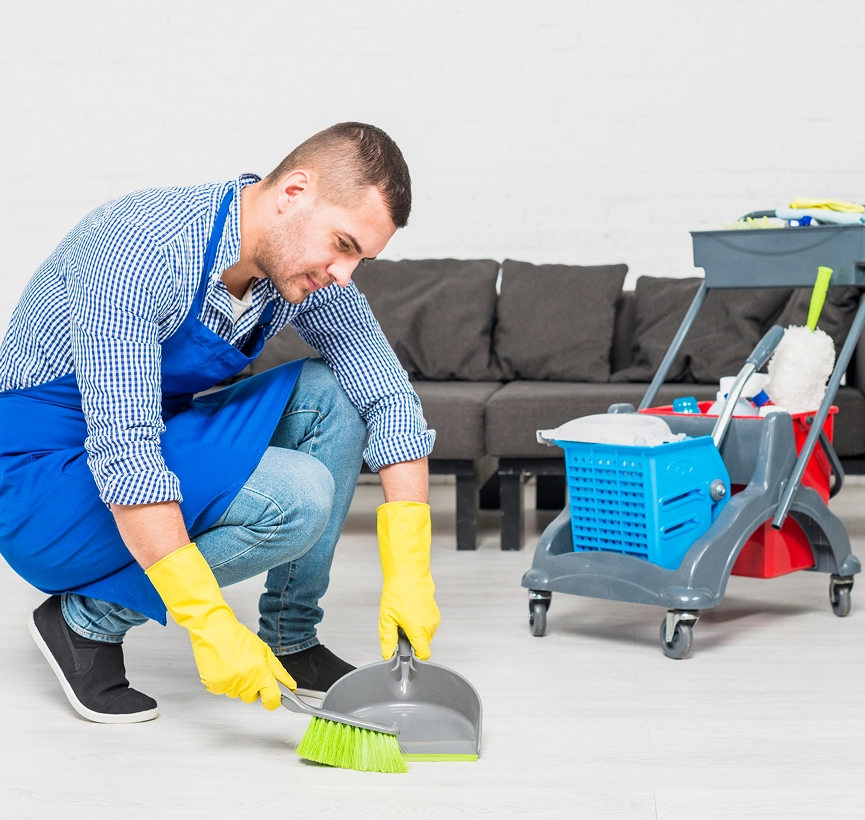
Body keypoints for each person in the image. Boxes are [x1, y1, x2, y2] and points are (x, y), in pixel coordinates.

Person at [0, 122, 440, 724]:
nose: (344, 272)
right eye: (343, 243)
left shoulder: (298, 267)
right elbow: (126, 451)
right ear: (294, 191)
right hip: (41, 481)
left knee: (335, 392)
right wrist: (209, 621)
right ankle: (84, 623)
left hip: (152, 430)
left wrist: (411, 563)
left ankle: (292, 637)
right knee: (296, 498)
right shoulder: (141, 247)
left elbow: (385, 391)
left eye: (360, 257)